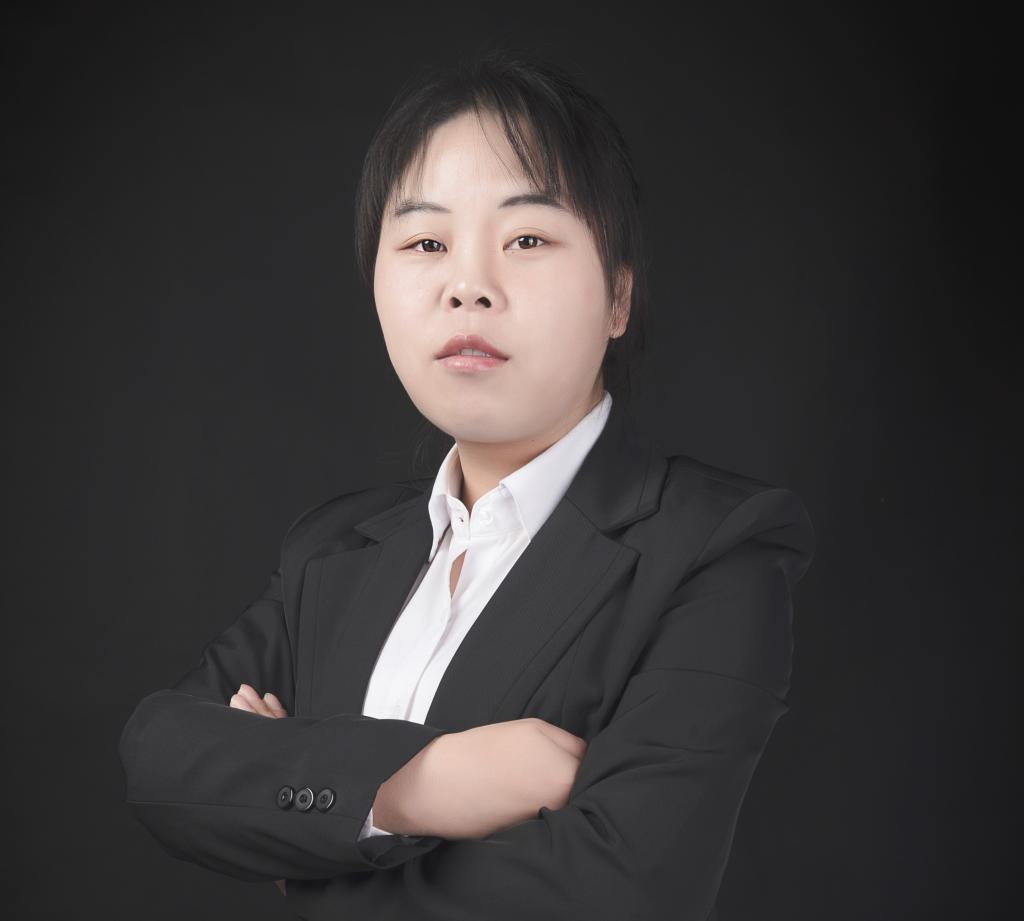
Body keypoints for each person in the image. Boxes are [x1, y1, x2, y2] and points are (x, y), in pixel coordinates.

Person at [118, 45, 816, 921]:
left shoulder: (714, 548)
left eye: (527, 239)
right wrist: (420, 784)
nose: (468, 287)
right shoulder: (333, 551)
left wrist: (309, 838)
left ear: (618, 298)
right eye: (426, 242)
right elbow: (162, 759)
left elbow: (620, 891)